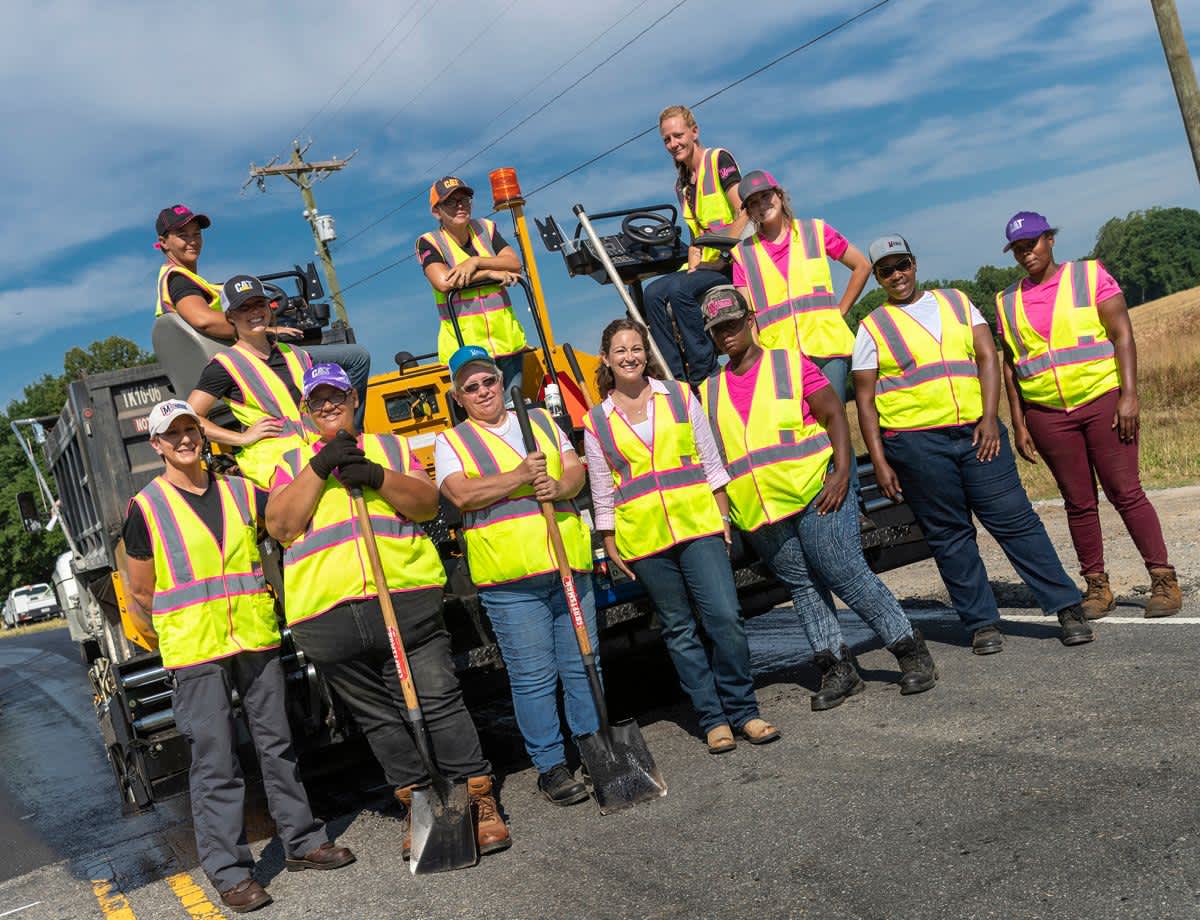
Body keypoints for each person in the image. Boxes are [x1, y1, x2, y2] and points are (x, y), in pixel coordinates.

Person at [264, 363, 510, 860]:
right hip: (329, 618)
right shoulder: (288, 462)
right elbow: (282, 527)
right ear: (306, 412)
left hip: (405, 599)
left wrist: (375, 476)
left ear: (355, 400)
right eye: (318, 401)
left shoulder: (391, 448)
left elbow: (425, 505)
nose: (328, 406)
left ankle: (479, 799)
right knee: (379, 721)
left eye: (337, 396)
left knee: (439, 698)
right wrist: (320, 467)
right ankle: (419, 804)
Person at [124, 399, 354, 915]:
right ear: (157, 444)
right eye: (173, 434)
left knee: (278, 744)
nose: (185, 439)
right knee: (216, 761)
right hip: (196, 648)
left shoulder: (240, 491)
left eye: (190, 429)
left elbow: (285, 517)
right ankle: (230, 873)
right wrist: (180, 630)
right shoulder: (146, 507)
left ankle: (303, 842)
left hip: (253, 636)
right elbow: (141, 592)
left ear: (200, 436)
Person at [852, 235, 1093, 654]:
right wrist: (880, 459)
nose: (897, 275)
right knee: (949, 535)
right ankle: (982, 623)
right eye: (886, 270)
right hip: (917, 447)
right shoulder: (871, 327)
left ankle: (1066, 606)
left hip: (978, 435)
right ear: (877, 278)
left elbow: (986, 356)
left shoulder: (957, 302)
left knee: (1015, 520)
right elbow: (866, 402)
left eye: (902, 264)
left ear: (914, 263)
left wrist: (987, 417)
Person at [699, 287, 937, 710]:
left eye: (732, 324)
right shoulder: (709, 391)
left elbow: (832, 414)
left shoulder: (788, 363)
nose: (726, 335)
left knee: (843, 569)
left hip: (817, 489)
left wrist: (843, 472)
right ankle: (837, 668)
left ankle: (909, 650)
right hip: (762, 511)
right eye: (717, 330)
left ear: (750, 321)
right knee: (803, 585)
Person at [584, 318, 778, 754]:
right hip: (646, 540)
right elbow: (601, 486)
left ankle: (744, 711)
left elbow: (711, 461)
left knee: (725, 618)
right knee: (679, 629)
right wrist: (609, 540)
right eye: (620, 351)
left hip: (699, 525)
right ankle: (713, 720)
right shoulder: (596, 420)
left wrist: (723, 516)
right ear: (606, 359)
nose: (630, 357)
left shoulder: (679, 395)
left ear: (645, 354)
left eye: (636, 348)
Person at [996, 212, 1182, 618]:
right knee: (1078, 502)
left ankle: (1163, 580)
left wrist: (1129, 395)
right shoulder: (1005, 301)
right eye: (1018, 248)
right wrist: (1018, 419)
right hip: (1048, 415)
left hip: (1102, 401)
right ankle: (1097, 586)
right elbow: (1011, 364)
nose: (1027, 253)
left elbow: (1122, 335)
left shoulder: (1089, 276)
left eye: (1033, 243)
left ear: (1050, 239)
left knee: (1125, 492)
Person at [435, 346, 597, 805]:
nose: (483, 391)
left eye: (488, 381)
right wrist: (520, 476)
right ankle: (551, 766)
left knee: (584, 663)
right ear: (458, 395)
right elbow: (461, 495)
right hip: (511, 579)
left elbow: (573, 472)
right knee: (533, 676)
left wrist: (559, 486)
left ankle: (593, 746)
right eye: (472, 387)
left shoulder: (540, 421)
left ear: (500, 381)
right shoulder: (452, 442)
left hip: (567, 560)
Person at [153, 204, 372, 416]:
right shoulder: (179, 280)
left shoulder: (184, 279)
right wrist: (266, 330)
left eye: (197, 234)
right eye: (183, 235)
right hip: (249, 362)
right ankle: (348, 434)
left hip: (240, 359)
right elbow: (204, 320)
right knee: (356, 358)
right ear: (164, 242)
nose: (192, 241)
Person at [731, 170, 871, 402]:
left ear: (779, 194)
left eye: (766, 196)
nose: (762, 205)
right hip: (780, 357)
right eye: (754, 203)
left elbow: (862, 266)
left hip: (827, 349)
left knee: (834, 424)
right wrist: (759, 360)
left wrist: (841, 311)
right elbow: (747, 318)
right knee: (799, 431)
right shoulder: (742, 255)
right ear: (749, 212)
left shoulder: (815, 231)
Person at [642, 105, 749, 385]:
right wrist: (693, 269)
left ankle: (704, 371)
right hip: (707, 264)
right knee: (652, 293)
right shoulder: (682, 185)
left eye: (678, 135)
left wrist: (723, 254)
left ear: (694, 131)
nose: (673, 144)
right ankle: (675, 378)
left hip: (734, 261)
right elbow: (695, 237)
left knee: (679, 291)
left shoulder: (718, 161)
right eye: (667, 139)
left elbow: (745, 211)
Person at [187, 275, 320, 488]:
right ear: (230, 316)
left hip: (318, 454)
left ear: (268, 308)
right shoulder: (224, 365)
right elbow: (190, 417)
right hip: (275, 469)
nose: (254, 312)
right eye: (244, 308)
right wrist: (241, 439)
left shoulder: (299, 355)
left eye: (259, 304)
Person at [416, 177, 527, 398]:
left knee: (515, 412)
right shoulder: (429, 242)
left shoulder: (486, 228)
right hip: (466, 350)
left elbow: (514, 263)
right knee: (485, 419)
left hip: (507, 343)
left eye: (464, 199)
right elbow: (443, 281)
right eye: (451, 202)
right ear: (436, 211)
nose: (460, 205)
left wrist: (476, 262)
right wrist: (488, 273)